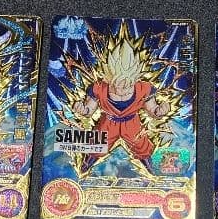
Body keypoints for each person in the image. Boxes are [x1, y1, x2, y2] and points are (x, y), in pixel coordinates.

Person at [73, 38, 171, 172]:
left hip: (132, 123)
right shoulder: (99, 88)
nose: (121, 90)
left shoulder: (143, 88)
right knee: (96, 146)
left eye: (127, 85)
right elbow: (89, 111)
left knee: (141, 146)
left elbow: (153, 110)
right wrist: (82, 109)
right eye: (116, 85)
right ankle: (84, 168)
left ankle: (151, 170)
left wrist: (160, 111)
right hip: (107, 123)